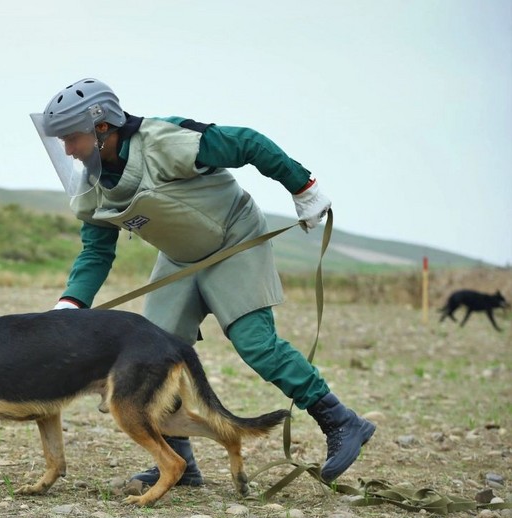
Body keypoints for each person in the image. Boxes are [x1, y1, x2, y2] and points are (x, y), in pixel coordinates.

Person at [30, 78, 375, 487]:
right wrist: (70, 305)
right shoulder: (91, 188)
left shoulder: (165, 141)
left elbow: (247, 142)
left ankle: (341, 421)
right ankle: (182, 464)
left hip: (235, 238)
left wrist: (303, 186)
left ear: (102, 128)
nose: (68, 151)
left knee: (255, 344)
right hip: (180, 260)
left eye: (72, 139)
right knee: (150, 356)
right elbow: (95, 253)